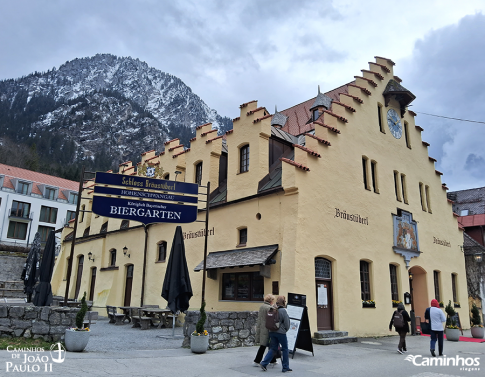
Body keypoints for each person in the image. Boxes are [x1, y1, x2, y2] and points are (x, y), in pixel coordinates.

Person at [260, 295, 292, 373]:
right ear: (284, 302)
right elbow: (287, 323)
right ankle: (285, 367)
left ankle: (264, 363)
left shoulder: (273, 308)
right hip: (281, 333)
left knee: (273, 348)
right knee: (285, 349)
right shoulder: (283, 311)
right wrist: (285, 330)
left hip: (272, 331)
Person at [254, 294, 277, 366]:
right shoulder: (269, 308)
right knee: (269, 345)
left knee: (264, 344)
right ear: (271, 301)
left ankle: (272, 360)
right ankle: (257, 361)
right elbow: (272, 319)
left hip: (262, 328)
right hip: (268, 328)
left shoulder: (262, 307)